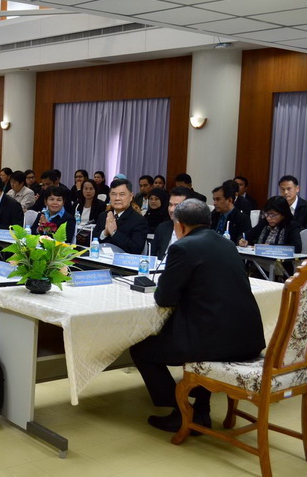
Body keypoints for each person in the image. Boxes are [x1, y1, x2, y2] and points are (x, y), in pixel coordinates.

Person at [130, 198, 265, 433]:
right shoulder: (227, 244)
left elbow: (165, 298)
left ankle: (182, 412)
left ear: (180, 225)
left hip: (214, 343)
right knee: (202, 333)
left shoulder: (183, 247)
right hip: (248, 340)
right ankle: (202, 410)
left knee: (141, 349)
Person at [91, 178, 147, 254]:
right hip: (100, 258)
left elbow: (136, 249)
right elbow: (92, 240)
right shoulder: (103, 216)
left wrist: (114, 233)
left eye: (122, 194)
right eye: (113, 194)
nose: (117, 198)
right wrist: (105, 233)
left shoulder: (139, 220)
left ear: (131, 196)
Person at [153, 186, 194, 259]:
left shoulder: (196, 231)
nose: (171, 210)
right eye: (170, 205)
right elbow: (152, 255)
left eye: (177, 205)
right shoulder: (163, 228)